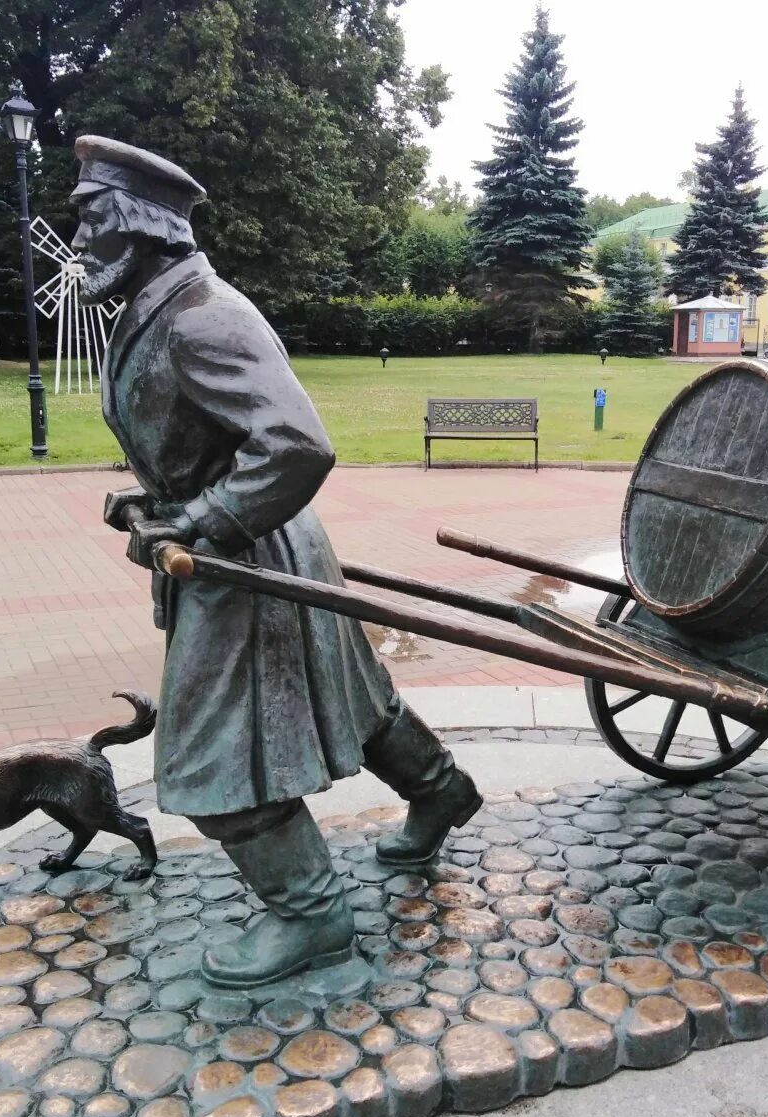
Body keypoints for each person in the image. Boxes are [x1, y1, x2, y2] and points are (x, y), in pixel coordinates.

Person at [69, 136, 483, 989]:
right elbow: (204, 441)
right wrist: (158, 506)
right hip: (244, 542)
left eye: (92, 221)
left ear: (141, 226)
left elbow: (296, 445)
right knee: (350, 695)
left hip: (245, 553)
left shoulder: (201, 314)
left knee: (212, 753)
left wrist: (203, 520)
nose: (79, 242)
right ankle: (441, 791)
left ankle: (311, 914)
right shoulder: (153, 306)